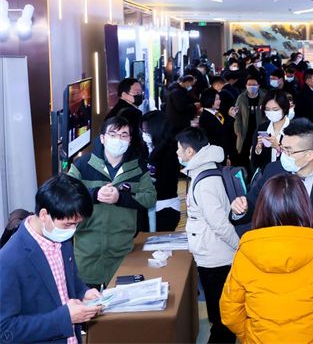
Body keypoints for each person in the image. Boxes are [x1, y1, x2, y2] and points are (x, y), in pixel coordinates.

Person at [220, 174, 313, 343]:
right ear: (304, 207)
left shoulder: (245, 253)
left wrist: (249, 336)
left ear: (262, 208)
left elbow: (230, 313)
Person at [0, 174, 102, 344]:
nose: (73, 230)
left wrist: (83, 293)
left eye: (77, 224)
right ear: (44, 215)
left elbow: (68, 280)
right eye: (68, 224)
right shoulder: (9, 259)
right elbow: (4, 331)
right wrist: (64, 318)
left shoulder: (61, 238)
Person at [68, 117, 156, 287]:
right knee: (89, 299)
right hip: (87, 249)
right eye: (113, 134)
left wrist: (120, 198)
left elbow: (150, 198)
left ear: (129, 140)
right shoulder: (83, 164)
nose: (118, 139)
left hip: (123, 250)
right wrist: (94, 194)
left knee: (122, 297)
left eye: (124, 135)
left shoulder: (137, 167)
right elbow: (66, 193)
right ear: (102, 138)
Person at [176, 128, 242, 344]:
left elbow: (219, 224)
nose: (177, 153)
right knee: (220, 311)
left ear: (189, 152)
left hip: (216, 257)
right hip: (214, 251)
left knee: (221, 315)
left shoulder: (203, 181)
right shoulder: (206, 169)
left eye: (179, 149)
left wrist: (239, 247)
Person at [231, 118, 313, 237]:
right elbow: (252, 202)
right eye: (282, 148)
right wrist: (239, 209)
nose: (283, 155)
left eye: (288, 151)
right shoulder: (273, 170)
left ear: (309, 155)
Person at [141, 110, 181, 231]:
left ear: (156, 129)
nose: (144, 134)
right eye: (142, 130)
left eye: (146, 130)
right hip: (147, 207)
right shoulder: (146, 148)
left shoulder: (170, 152)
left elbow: (164, 184)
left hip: (165, 207)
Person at [104, 77, 145, 157]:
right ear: (124, 94)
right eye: (136, 92)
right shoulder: (131, 113)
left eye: (141, 92)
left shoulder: (116, 109)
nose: (140, 95)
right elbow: (136, 140)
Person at [251, 89, 291, 171]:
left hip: (287, 176)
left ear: (284, 108)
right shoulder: (262, 129)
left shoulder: (295, 129)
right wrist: (258, 149)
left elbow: (296, 160)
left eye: (275, 109)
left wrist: (278, 147)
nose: (271, 112)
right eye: (267, 109)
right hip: (267, 175)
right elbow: (254, 162)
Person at [233, 75, 266, 170]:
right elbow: (237, 115)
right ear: (246, 86)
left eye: (254, 84)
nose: (252, 86)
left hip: (259, 131)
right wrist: (238, 130)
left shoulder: (264, 97)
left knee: (259, 155)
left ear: (258, 86)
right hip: (245, 131)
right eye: (249, 84)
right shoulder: (241, 98)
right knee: (243, 156)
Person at [199, 88, 234, 164]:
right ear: (209, 100)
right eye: (216, 99)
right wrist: (231, 117)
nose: (219, 101)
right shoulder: (205, 117)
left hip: (223, 150)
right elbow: (221, 131)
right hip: (215, 153)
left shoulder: (216, 112)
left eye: (219, 99)